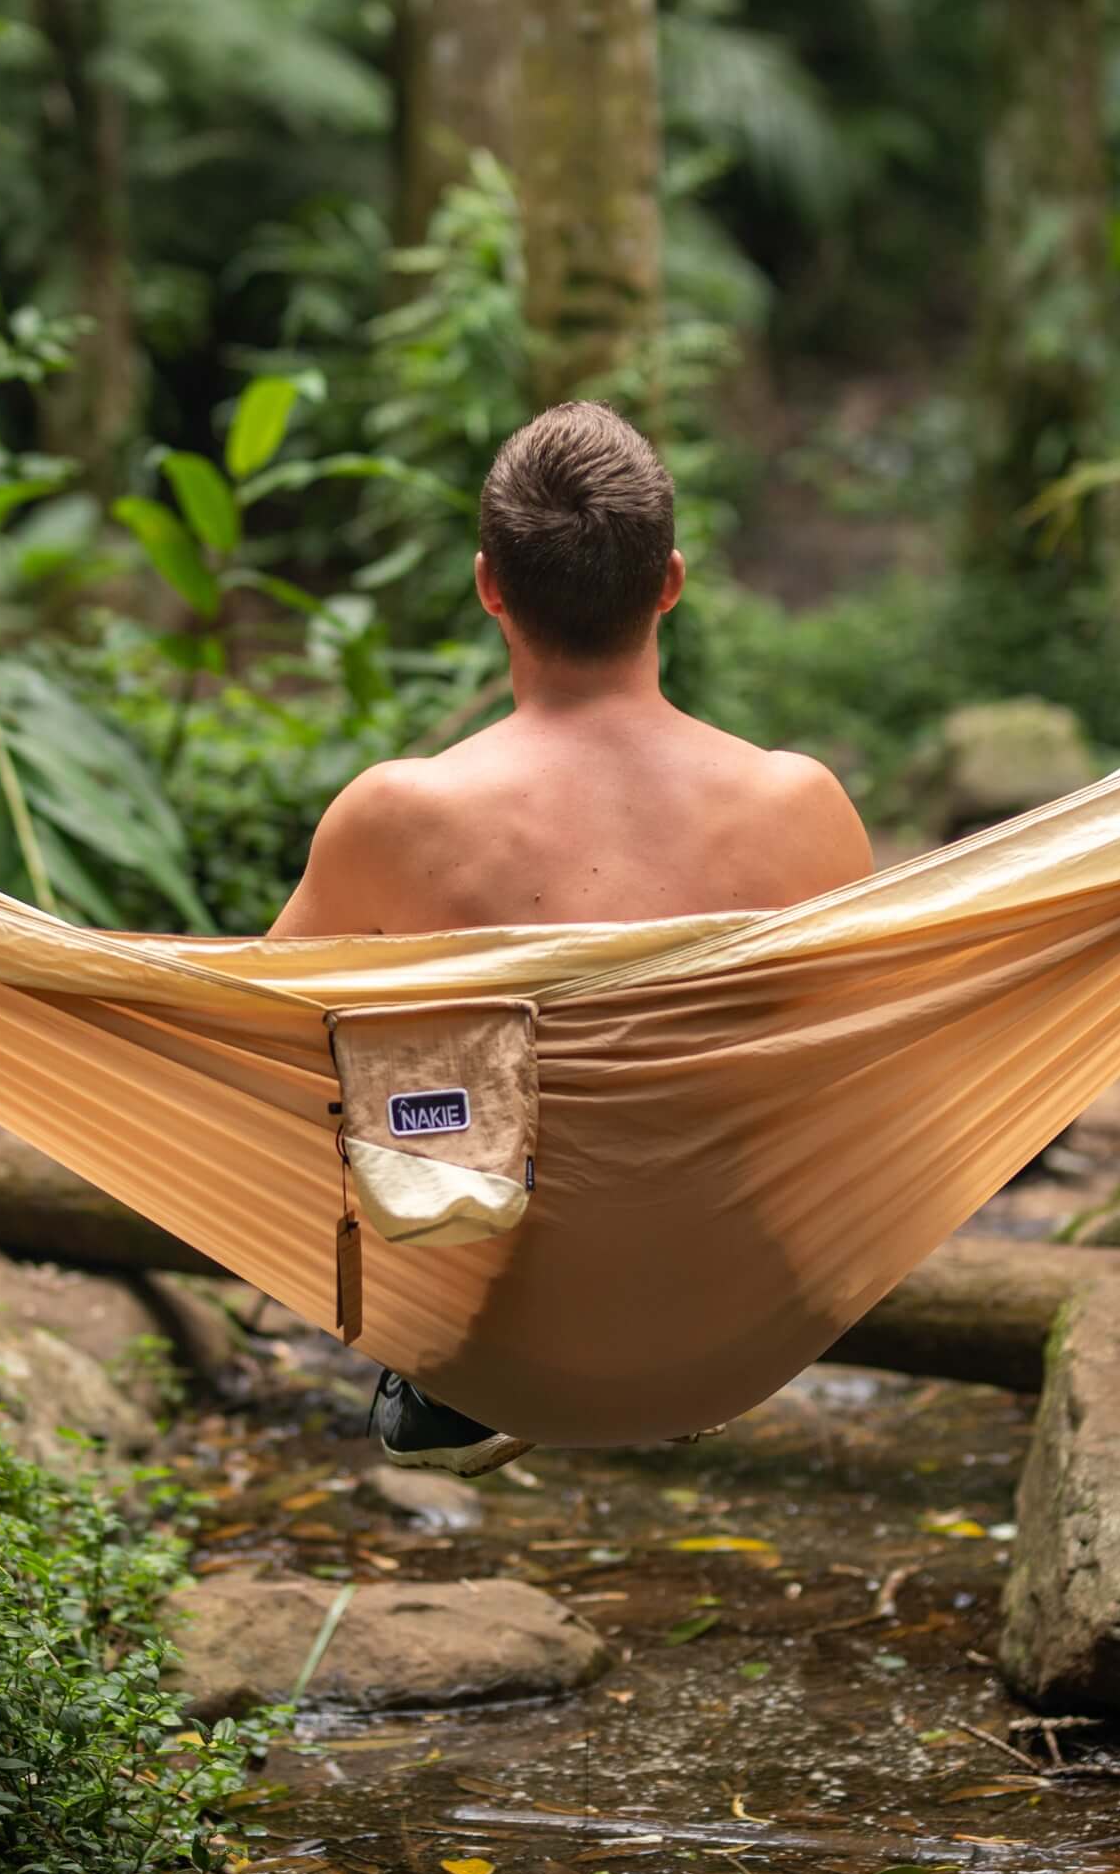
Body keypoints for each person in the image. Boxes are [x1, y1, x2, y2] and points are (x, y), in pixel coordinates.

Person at [271, 400, 873, 1473]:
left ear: (489, 584)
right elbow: (875, 1076)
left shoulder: (396, 817)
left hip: (488, 1345)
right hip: (739, 1328)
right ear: (672, 582)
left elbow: (250, 1046)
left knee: (366, 1037)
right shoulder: (802, 806)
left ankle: (442, 1336)